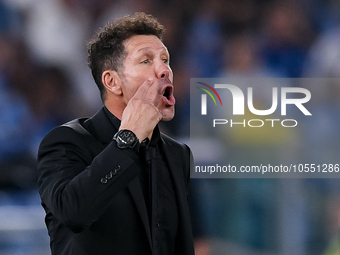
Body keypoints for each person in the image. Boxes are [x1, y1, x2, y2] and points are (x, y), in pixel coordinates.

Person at [37, 12, 194, 255]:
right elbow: (74, 213)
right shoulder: (66, 142)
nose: (164, 69)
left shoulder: (178, 154)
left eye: (165, 59)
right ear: (112, 82)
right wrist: (128, 139)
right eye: (146, 61)